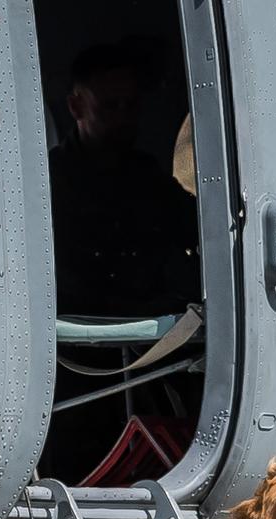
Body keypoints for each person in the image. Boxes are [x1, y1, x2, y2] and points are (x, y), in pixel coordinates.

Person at [48, 42, 199, 316]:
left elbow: (194, 226)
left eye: (131, 106)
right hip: (82, 331)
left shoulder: (147, 176)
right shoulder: (51, 181)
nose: (122, 118)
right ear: (76, 106)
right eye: (109, 106)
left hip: (150, 329)